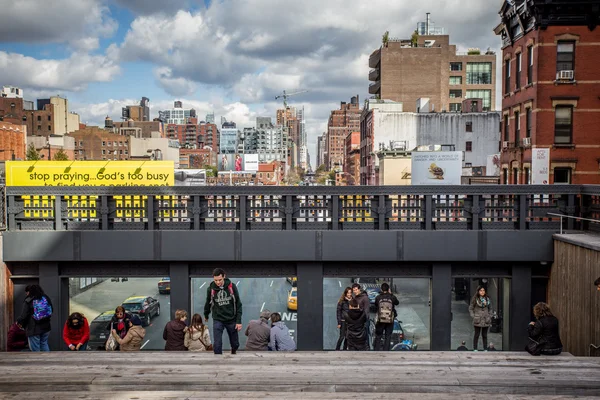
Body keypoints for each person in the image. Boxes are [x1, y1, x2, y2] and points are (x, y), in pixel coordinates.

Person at [204, 268, 243, 355]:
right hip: (218, 319)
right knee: (217, 345)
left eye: (220, 280)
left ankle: (234, 351)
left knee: (235, 343)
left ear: (224, 276)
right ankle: (218, 363)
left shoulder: (231, 287)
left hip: (231, 319)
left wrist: (238, 321)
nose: (218, 282)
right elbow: (208, 303)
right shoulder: (211, 289)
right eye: (215, 280)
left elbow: (238, 304)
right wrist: (206, 314)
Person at [16, 285, 53, 352]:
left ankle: (37, 362)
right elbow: (51, 310)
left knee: (35, 349)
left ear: (29, 292)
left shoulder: (29, 300)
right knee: (44, 344)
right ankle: (48, 361)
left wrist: (19, 321)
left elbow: (24, 315)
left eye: (27, 292)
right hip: (46, 326)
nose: (26, 294)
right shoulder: (46, 298)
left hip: (33, 328)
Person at [373, 282, 400, 351]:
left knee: (378, 336)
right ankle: (386, 350)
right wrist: (391, 294)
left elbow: (376, 304)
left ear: (381, 289)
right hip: (390, 319)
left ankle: (376, 350)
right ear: (388, 289)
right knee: (388, 336)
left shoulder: (378, 297)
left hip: (380, 319)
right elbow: (397, 303)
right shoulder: (392, 297)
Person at [469, 286, 492, 351]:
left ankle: (485, 349)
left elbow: (490, 308)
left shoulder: (488, 299)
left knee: (484, 335)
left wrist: (489, 316)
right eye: (481, 290)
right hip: (477, 319)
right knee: (476, 335)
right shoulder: (475, 299)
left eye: (483, 290)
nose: (482, 292)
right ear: (478, 291)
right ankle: (475, 348)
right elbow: (471, 308)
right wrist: (473, 316)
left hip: (486, 320)